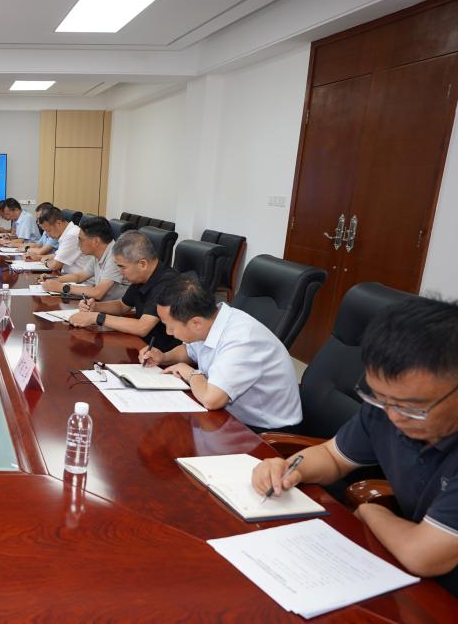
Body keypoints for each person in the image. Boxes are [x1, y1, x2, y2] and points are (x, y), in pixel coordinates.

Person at [251, 297, 458, 594]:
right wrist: (289, 468)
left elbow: (424, 555)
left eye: (413, 407)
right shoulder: (386, 409)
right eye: (380, 397)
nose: (394, 416)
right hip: (402, 565)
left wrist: (373, 512)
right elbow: (332, 457)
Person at [140, 275, 301, 429]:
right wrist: (164, 357)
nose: (168, 332)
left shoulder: (241, 340)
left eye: (170, 326)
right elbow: (189, 351)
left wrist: (190, 372)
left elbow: (211, 400)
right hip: (227, 417)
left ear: (196, 323)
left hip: (263, 431)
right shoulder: (210, 321)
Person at [69, 230, 180, 351]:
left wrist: (97, 317)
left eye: (122, 267)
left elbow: (142, 327)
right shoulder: (142, 277)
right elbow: (122, 305)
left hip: (161, 354)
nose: (120, 272)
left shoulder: (168, 283)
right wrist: (95, 306)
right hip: (140, 345)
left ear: (142, 264)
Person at [40, 216, 126, 301]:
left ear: (96, 241)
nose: (78, 244)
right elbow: (79, 276)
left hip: (116, 308)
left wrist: (61, 287)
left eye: (81, 240)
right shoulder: (98, 253)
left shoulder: (115, 256)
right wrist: (53, 279)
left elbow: (98, 292)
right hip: (100, 303)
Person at [29, 206, 93, 276]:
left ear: (58, 223)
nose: (48, 235)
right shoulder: (67, 233)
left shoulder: (72, 234)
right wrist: (38, 257)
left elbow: (55, 265)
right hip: (68, 277)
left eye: (49, 231)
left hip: (79, 280)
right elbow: (57, 255)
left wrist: (45, 261)